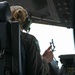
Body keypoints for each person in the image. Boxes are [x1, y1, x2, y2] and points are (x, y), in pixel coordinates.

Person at [10, 5, 54, 75]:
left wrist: (40, 59)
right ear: (26, 23)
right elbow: (37, 72)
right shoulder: (29, 40)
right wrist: (45, 60)